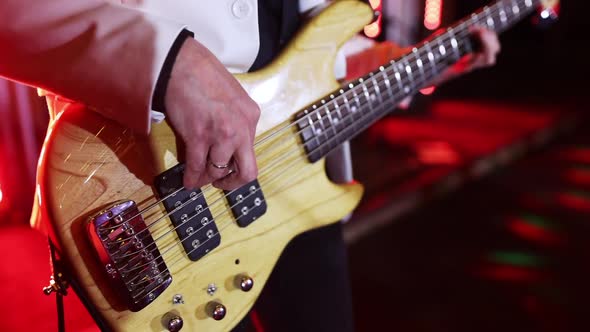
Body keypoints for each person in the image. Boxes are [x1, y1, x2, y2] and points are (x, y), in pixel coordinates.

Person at [0, 0, 500, 331]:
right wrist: (167, 66)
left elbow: (314, 36)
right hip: (150, 187)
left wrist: (409, 62)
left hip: (294, 192)